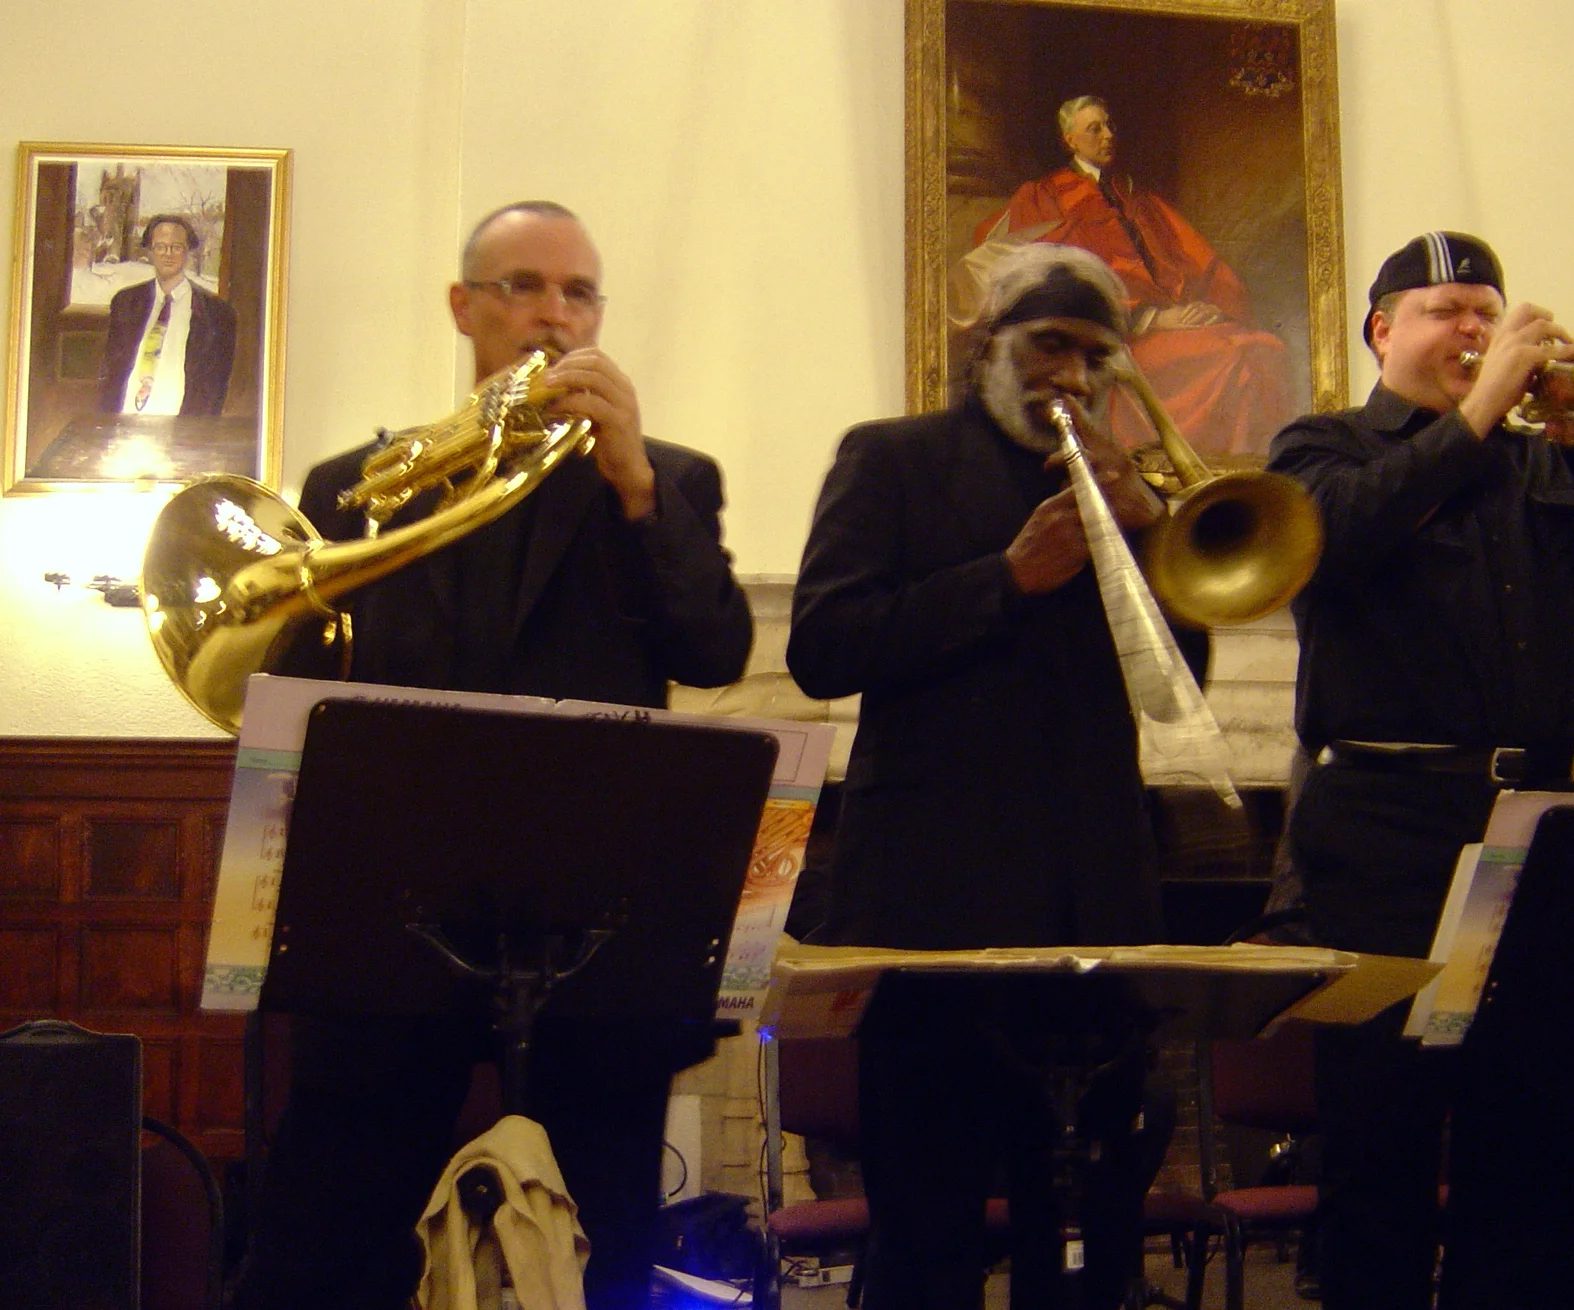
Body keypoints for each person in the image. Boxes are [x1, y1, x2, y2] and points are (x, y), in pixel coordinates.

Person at [232, 200, 754, 1310]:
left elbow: (715, 651)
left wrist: (638, 489)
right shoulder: (355, 485)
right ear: (464, 307)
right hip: (389, 924)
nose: (553, 316)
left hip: (591, 934)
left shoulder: (668, 479)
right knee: (334, 1238)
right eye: (523, 287)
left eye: (578, 294)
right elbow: (297, 692)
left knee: (597, 1246)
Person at [1266, 230, 1574, 1309]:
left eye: (1489, 313)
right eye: (1447, 310)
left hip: (1543, 820)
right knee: (1382, 1135)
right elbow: (1332, 541)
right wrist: (1480, 411)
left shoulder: (1547, 458)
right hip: (1385, 826)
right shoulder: (1320, 446)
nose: (1475, 330)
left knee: (1546, 1138)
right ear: (1382, 329)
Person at [788, 243, 1198, 1310]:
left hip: (1094, 911)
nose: (1073, 375)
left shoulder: (1129, 494)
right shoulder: (892, 459)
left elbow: (1177, 690)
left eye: (1097, 356)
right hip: (933, 914)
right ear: (987, 347)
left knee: (1092, 1249)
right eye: (1049, 345)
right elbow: (824, 646)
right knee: (926, 1240)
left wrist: (1149, 532)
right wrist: (1007, 579)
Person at [971, 95, 1292, 457]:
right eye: (1095, 129)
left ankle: (1250, 472)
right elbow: (1058, 281)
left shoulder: (1136, 198)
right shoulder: (1046, 197)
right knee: (1233, 357)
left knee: (1267, 348)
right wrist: (1151, 317)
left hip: (1175, 323)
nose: (1108, 135)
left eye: (1109, 126)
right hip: (1118, 338)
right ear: (1069, 140)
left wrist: (1207, 305)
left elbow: (1195, 260)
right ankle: (1217, 468)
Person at [98, 214, 237, 416]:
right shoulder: (126, 302)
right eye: (160, 247)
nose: (167, 254)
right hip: (125, 419)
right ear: (150, 251)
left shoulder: (216, 313)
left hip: (184, 425)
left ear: (188, 251)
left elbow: (215, 388)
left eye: (176, 247)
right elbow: (111, 372)